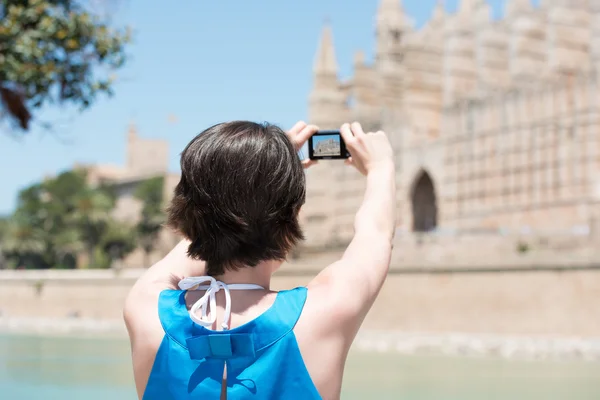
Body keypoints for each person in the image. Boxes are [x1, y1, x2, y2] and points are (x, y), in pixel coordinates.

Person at [124, 121, 396, 400]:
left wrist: (254, 176)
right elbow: (376, 233)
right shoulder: (325, 312)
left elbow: (202, 230)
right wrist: (380, 168)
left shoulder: (146, 310)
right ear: (289, 220)